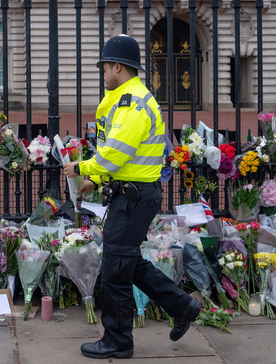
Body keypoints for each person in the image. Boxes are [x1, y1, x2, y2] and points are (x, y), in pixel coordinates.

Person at [62, 34, 201, 360]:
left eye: (105, 67)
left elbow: (114, 155)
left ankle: (118, 341)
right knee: (127, 262)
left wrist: (81, 167)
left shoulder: (133, 104)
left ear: (117, 67)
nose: (103, 73)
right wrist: (94, 181)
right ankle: (182, 306)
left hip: (135, 198)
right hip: (132, 194)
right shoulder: (127, 99)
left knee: (115, 269)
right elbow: (122, 157)